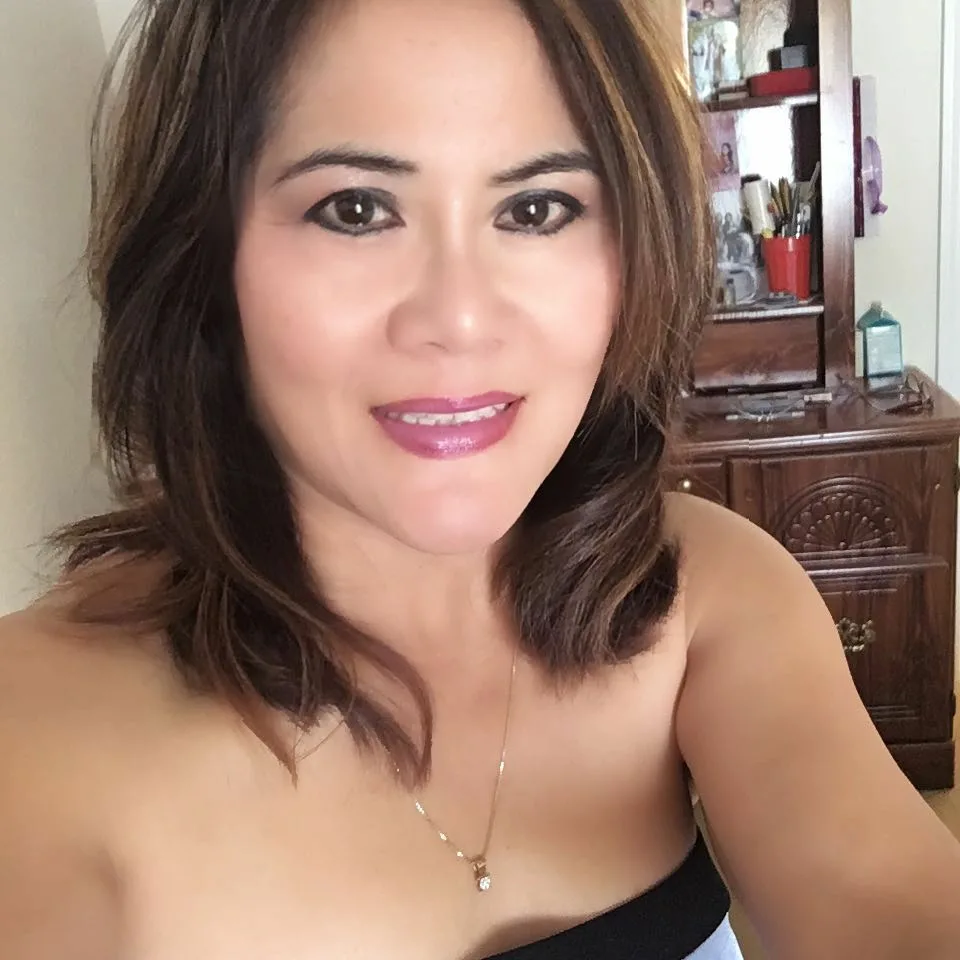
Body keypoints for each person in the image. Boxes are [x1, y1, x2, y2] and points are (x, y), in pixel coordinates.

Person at [2, 1, 959, 958]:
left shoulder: (700, 590)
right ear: (205, 259)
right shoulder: (38, 728)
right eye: (355, 209)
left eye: (535, 209)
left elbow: (880, 895)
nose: (460, 320)